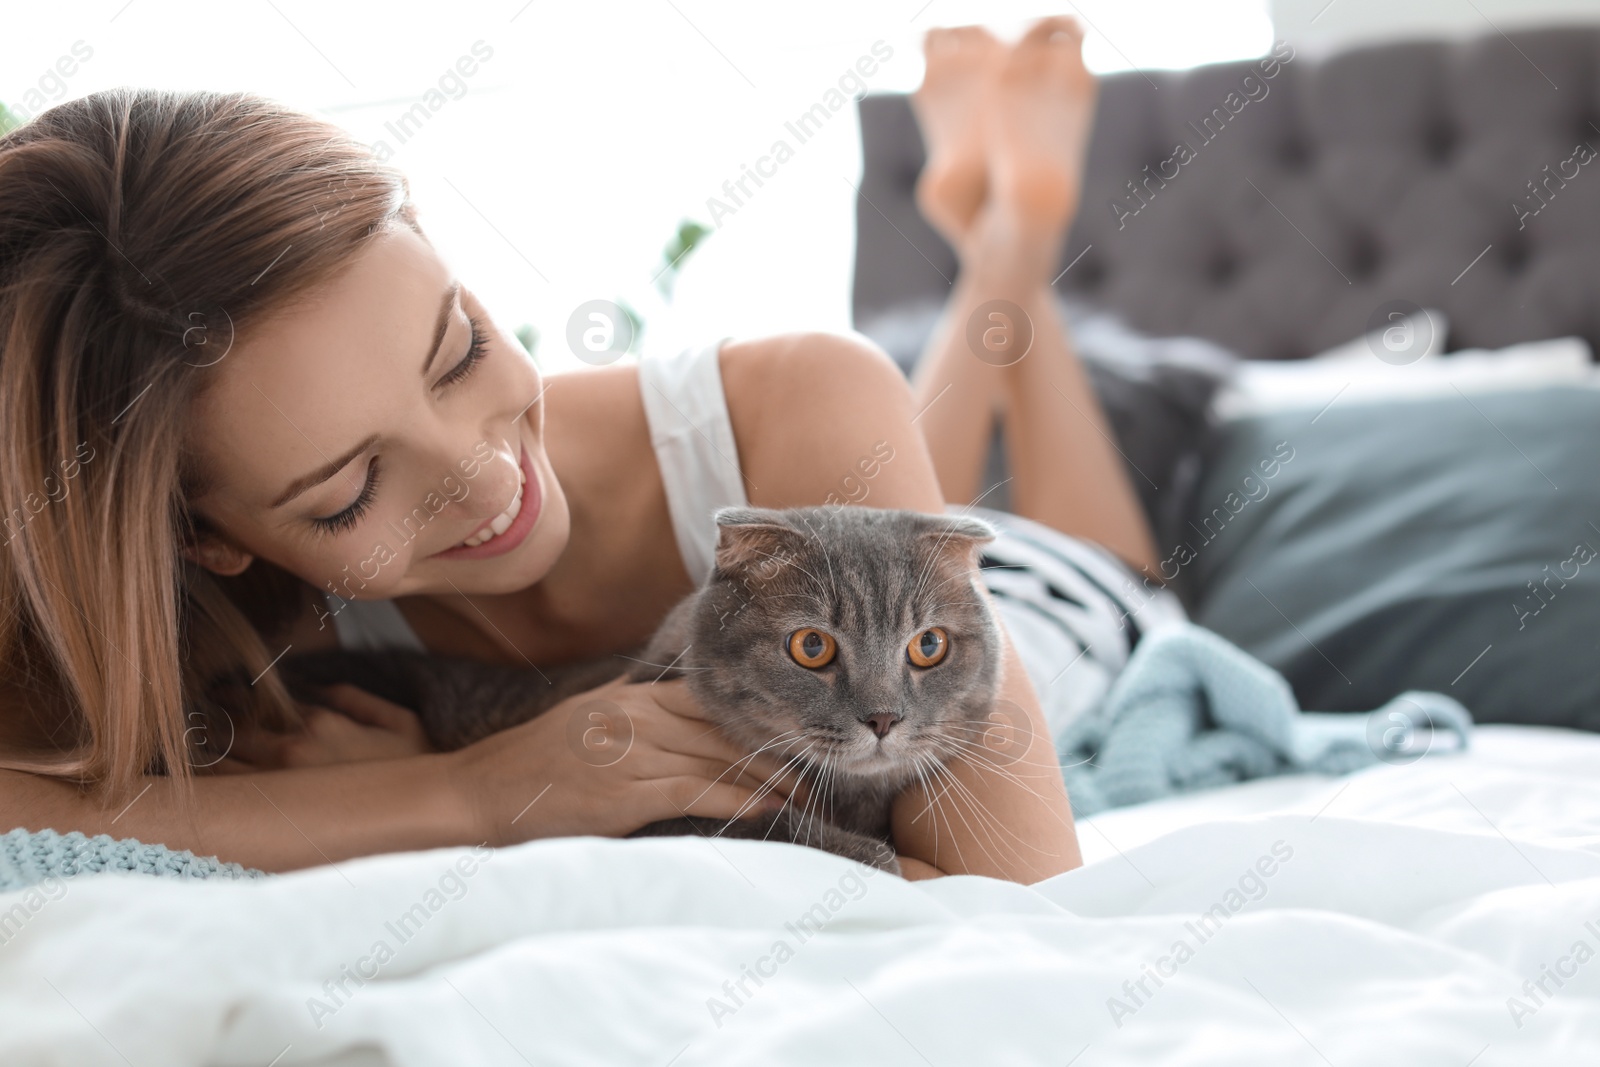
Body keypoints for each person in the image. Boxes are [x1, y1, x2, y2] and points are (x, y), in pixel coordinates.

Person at [0, 18, 1155, 884]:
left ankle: (1008, 243)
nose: (487, 477)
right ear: (208, 543)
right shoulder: (203, 612)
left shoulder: (800, 396)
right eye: (351, 493)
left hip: (1050, 602)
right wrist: (470, 789)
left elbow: (1017, 902)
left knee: (1106, 565)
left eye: (457, 352)